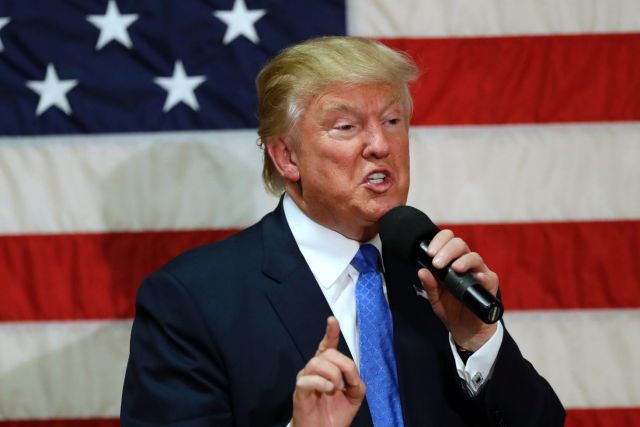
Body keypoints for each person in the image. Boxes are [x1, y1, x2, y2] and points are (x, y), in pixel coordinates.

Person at [121, 36, 564, 426]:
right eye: (347, 126)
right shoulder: (193, 300)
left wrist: (478, 342)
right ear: (287, 158)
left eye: (392, 121)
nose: (380, 144)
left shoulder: (436, 278)